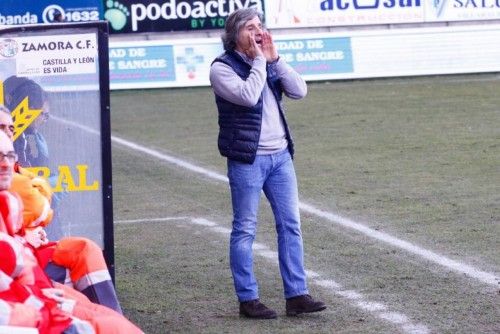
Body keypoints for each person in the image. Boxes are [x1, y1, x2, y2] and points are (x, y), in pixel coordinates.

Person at [209, 8, 326, 319]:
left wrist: (275, 59)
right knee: (245, 228)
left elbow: (300, 91)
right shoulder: (222, 68)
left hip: (281, 157)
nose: (257, 32)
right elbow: (248, 96)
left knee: (291, 225)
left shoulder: (268, 61)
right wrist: (261, 61)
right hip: (247, 159)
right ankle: (248, 299)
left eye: (259, 26)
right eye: (250, 28)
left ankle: (297, 295)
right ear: (234, 35)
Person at [0, 130, 143, 334]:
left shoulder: (9, 192)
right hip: (31, 310)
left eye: (9, 154)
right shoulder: (11, 188)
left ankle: (113, 313)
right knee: (110, 325)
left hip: (33, 291)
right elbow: (40, 207)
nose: (5, 163)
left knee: (85, 250)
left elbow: (42, 202)